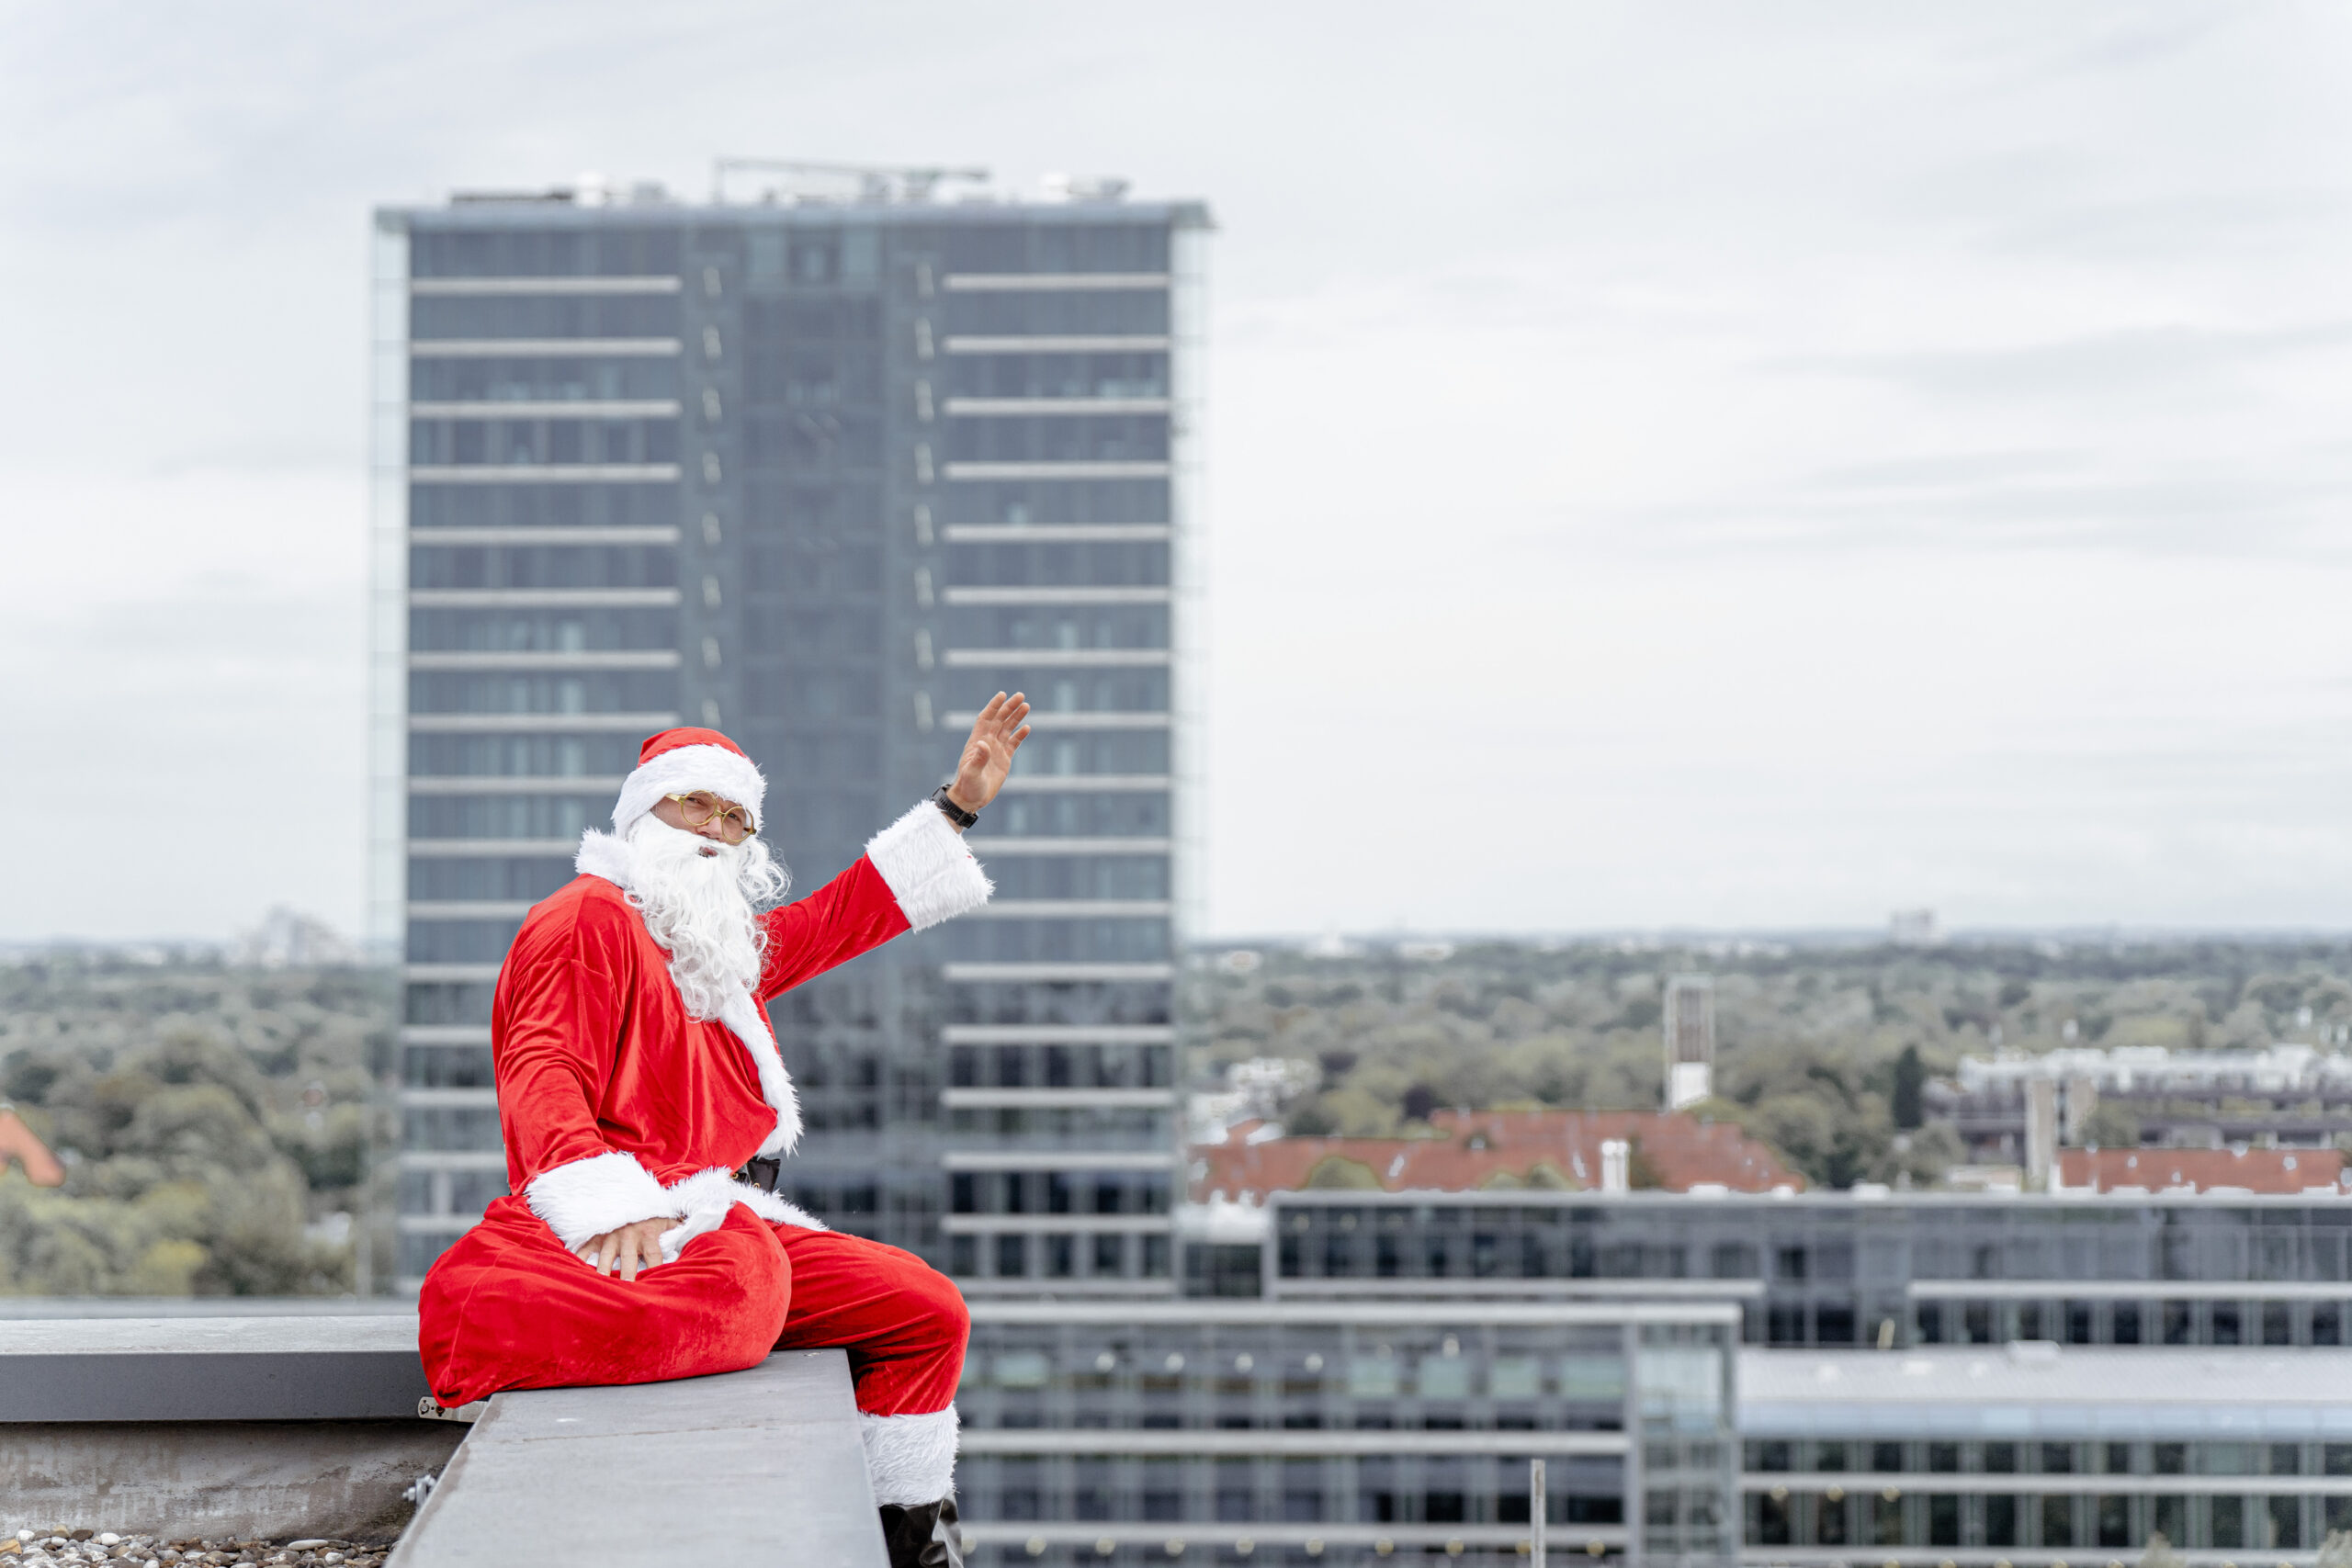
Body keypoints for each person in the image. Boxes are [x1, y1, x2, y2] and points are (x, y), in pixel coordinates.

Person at [416, 694, 1031, 1568]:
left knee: (925, 1310)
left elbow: (833, 920)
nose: (716, 827)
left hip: (717, 1211)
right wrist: (608, 1207)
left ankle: (909, 1543)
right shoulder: (585, 918)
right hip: (626, 1216)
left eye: (736, 815)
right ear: (642, 813)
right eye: (695, 802)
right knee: (744, 1277)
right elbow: (542, 1067)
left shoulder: (704, 943)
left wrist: (957, 807)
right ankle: (500, 1315)